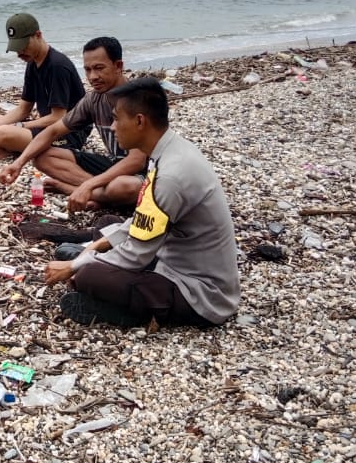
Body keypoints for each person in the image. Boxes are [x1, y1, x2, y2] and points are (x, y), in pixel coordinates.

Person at [43, 77, 240, 329]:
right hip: (169, 255)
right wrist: (97, 247)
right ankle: (89, 253)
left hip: (200, 294)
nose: (113, 127)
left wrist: (75, 266)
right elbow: (143, 219)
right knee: (108, 224)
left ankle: (126, 313)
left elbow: (136, 254)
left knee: (90, 276)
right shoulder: (170, 151)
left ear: (139, 121)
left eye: (116, 118)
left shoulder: (172, 176)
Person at [0, 37, 146, 211]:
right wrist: (18, 163)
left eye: (99, 68)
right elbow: (53, 131)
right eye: (88, 70)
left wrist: (88, 185)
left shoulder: (139, 99)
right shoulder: (93, 99)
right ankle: (98, 194)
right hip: (113, 164)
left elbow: (137, 161)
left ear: (118, 66)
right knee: (42, 157)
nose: (93, 77)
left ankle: (79, 191)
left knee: (123, 187)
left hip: (144, 173)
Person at [0, 13, 87, 159]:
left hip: (67, 133)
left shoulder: (57, 66)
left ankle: (8, 148)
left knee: (2, 133)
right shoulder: (32, 63)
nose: (20, 53)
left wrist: (20, 127)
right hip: (45, 127)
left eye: (23, 46)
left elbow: (58, 117)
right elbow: (23, 109)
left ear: (38, 35)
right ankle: (6, 145)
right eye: (16, 48)